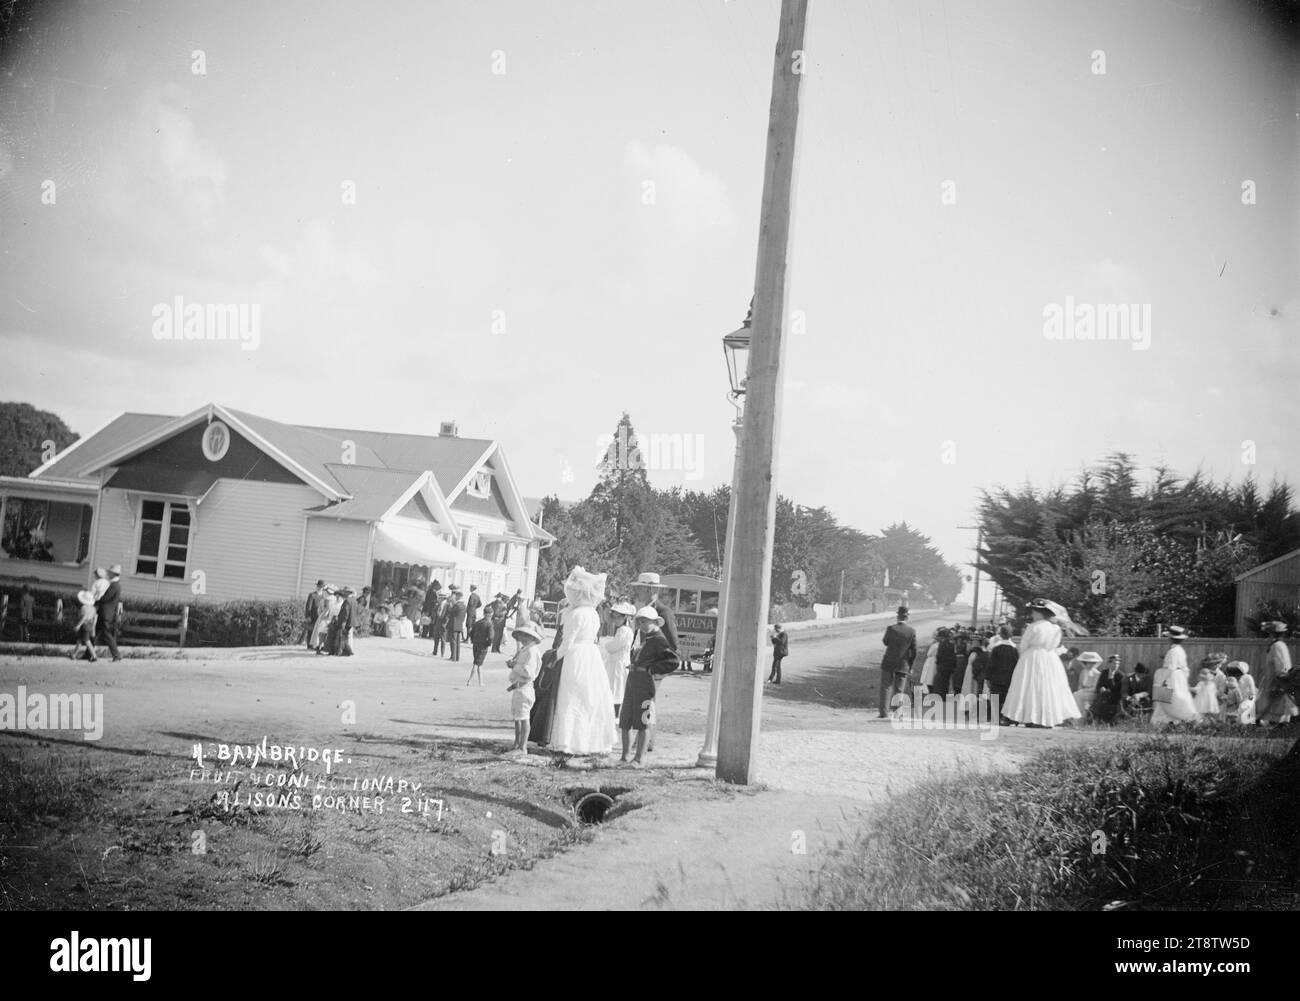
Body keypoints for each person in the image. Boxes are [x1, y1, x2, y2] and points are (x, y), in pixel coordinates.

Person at [549, 567, 617, 757]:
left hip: (576, 654)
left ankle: (569, 741)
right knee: (590, 696)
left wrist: (554, 658)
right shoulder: (593, 613)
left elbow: (568, 641)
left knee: (571, 695)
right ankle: (592, 740)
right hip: (591, 654)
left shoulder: (575, 614)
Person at [1002, 599, 1081, 728]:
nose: (1032, 614)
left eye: (1034, 612)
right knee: (1047, 687)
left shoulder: (1033, 626)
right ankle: (1046, 718)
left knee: (1027, 686)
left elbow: (1024, 645)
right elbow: (1054, 645)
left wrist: (1023, 657)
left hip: (1032, 656)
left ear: (1040, 613)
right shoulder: (1056, 628)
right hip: (1050, 657)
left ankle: (1027, 717)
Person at [619, 605, 680, 767]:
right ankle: (625, 756)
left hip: (644, 683)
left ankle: (639, 758)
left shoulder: (659, 640)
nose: (641, 625)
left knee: (642, 720)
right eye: (639, 622)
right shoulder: (645, 637)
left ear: (654, 621)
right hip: (634, 680)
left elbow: (673, 661)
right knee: (625, 719)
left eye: (644, 621)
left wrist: (652, 670)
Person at [505, 621, 545, 755]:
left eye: (526, 636)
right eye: (522, 635)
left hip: (525, 687)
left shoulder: (532, 651)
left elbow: (528, 672)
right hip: (519, 687)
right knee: (518, 717)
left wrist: (515, 666)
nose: (523, 639)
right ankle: (517, 744)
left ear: (533, 637)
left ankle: (523, 747)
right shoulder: (525, 649)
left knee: (523, 717)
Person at [1151, 626, 1198, 727]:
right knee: (1177, 699)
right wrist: (1183, 680)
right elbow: (1185, 668)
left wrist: (1164, 681)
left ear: (1170, 639)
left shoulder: (1172, 651)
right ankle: (1173, 722)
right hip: (1179, 677)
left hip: (1171, 677)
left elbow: (1171, 668)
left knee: (1169, 699)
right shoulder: (1181, 651)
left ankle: (1168, 722)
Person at [1253, 621, 1295, 726]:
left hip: (1276, 679)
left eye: (1270, 632)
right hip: (1270, 678)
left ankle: (1280, 723)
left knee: (1276, 701)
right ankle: (1265, 721)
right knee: (1267, 701)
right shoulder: (1275, 645)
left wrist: (1280, 681)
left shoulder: (1278, 645)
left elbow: (1282, 664)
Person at [600, 600, 636, 719]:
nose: (615, 620)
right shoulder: (621, 630)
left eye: (618, 617)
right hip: (616, 662)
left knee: (617, 688)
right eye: (614, 617)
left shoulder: (624, 630)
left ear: (624, 617)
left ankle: (615, 715)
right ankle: (612, 714)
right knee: (613, 687)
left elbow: (614, 646)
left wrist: (606, 644)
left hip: (619, 663)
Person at [878, 606, 916, 717]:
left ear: (897, 616)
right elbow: (914, 651)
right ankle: (897, 713)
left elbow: (885, 642)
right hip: (903, 664)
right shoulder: (911, 631)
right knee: (899, 690)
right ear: (907, 617)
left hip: (888, 662)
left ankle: (883, 713)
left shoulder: (891, 628)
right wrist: (910, 664)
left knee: (885, 687)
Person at [983, 625, 1019, 721]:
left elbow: (991, 664)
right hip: (1009, 679)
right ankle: (1005, 718)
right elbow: (1016, 665)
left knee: (995, 698)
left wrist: (987, 677)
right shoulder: (1014, 649)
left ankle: (994, 717)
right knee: (1006, 698)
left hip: (996, 678)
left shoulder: (996, 648)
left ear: (1001, 634)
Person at [94, 564, 123, 662]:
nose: (108, 574)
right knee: (96, 633)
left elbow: (106, 598)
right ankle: (88, 653)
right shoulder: (116, 584)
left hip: (106, 613)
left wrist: (95, 600)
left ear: (113, 574)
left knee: (106, 634)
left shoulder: (114, 585)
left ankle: (116, 655)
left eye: (109, 573)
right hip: (106, 613)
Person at [1092, 654, 1129, 724]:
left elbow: (1117, 689)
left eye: (1118, 664)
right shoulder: (1104, 672)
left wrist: (1111, 678)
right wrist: (1101, 688)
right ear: (1109, 664)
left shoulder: (1121, 675)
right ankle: (1096, 719)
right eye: (1114, 663)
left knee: (1104, 698)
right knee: (1101, 698)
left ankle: (1103, 720)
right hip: (1103, 695)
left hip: (1114, 696)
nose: (1116, 666)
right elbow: (1099, 685)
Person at [1073, 652, 1103, 718]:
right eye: (1088, 663)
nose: (1089, 665)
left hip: (1092, 693)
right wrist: (1080, 690)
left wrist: (1082, 691)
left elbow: (1095, 688)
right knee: (1076, 695)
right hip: (1082, 692)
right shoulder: (1083, 672)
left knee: (1077, 695)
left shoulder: (1097, 673)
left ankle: (1082, 718)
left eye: (1092, 663)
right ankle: (1077, 718)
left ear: (1094, 664)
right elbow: (1080, 684)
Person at [70, 589, 98, 662]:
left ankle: (94, 655)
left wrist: (78, 625)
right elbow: (95, 617)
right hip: (90, 626)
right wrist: (93, 628)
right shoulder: (93, 608)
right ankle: (74, 655)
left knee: (87, 641)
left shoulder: (84, 608)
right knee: (79, 640)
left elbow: (84, 617)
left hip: (84, 626)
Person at [468, 610, 494, 687]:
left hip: (475, 644)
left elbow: (471, 633)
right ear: (490, 614)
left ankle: (481, 681)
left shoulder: (477, 622)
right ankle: (470, 680)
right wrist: (488, 643)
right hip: (483, 646)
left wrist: (473, 641)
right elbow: (491, 636)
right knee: (476, 663)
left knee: (479, 664)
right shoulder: (489, 624)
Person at [446, 589, 466, 661]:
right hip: (459, 625)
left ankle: (453, 656)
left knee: (453, 642)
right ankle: (457, 657)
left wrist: (450, 605)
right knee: (457, 642)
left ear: (458, 596)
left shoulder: (457, 605)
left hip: (453, 625)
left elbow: (450, 612)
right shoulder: (463, 605)